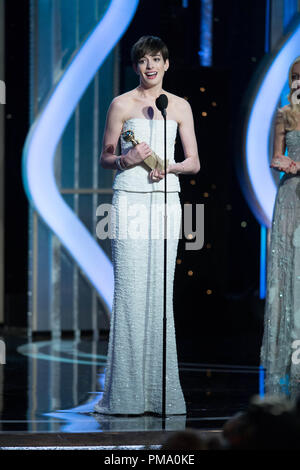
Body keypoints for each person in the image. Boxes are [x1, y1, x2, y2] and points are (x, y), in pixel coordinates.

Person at [93, 35, 200, 416]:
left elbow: (194, 163)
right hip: (129, 201)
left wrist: (167, 166)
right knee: (131, 293)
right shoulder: (121, 104)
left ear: (166, 64)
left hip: (165, 203)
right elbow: (105, 157)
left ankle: (160, 395)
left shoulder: (179, 107)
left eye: (156, 59)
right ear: (136, 66)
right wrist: (127, 157)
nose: (150, 66)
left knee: (159, 294)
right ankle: (124, 397)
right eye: (143, 61)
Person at [260, 56, 300, 400]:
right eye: (296, 77)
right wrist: (283, 162)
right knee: (288, 273)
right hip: (290, 197)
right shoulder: (284, 115)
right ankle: (286, 357)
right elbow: (275, 157)